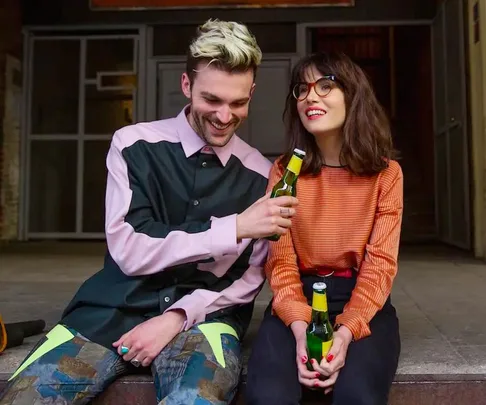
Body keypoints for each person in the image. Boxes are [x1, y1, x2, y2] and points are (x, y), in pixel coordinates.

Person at [0, 19, 299, 405]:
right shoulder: (132, 144)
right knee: (26, 399)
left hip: (204, 321)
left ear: (252, 93)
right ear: (187, 85)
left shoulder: (261, 175)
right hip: (106, 313)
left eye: (238, 102)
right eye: (212, 100)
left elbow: (248, 280)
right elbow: (129, 249)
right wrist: (235, 227)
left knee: (195, 400)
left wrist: (176, 316)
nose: (225, 116)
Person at [245, 51, 403, 405]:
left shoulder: (386, 173)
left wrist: (344, 335)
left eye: (326, 86)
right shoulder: (285, 171)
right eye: (302, 89)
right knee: (268, 397)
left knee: (358, 397)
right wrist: (303, 332)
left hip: (360, 300)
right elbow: (280, 263)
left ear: (353, 95)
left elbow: (380, 266)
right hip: (297, 297)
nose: (310, 97)